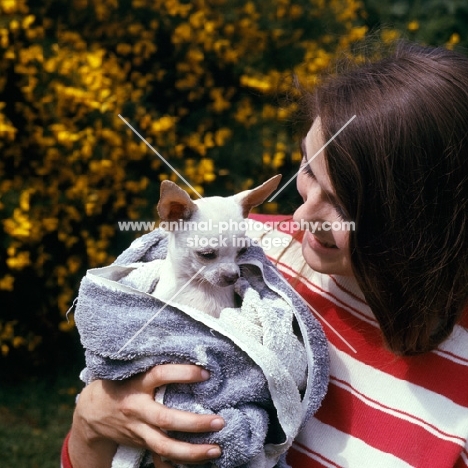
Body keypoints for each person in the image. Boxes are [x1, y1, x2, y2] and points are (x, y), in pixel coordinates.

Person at [62, 41, 468, 468]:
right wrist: (91, 424)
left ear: (429, 224)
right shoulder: (254, 248)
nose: (301, 215)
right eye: (308, 168)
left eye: (344, 204)